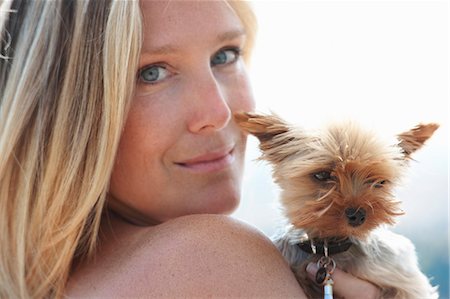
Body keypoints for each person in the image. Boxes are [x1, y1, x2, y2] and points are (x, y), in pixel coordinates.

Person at [0, 1, 381, 298]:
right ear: (65, 112)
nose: (218, 113)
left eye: (225, 55)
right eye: (151, 73)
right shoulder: (207, 259)